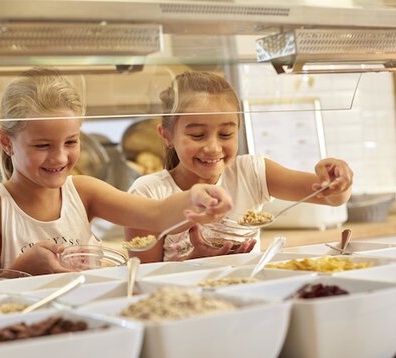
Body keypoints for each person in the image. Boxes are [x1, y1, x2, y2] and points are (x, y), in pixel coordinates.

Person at [0, 68, 234, 272]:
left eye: (71, 141)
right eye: (43, 145)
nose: (59, 157)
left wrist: (197, 196)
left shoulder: (83, 191)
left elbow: (156, 214)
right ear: (6, 142)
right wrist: (23, 270)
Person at [125, 71, 353, 263]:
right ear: (167, 136)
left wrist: (337, 180)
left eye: (226, 134)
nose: (213, 148)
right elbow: (142, 278)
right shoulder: (148, 192)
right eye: (197, 135)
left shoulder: (251, 172)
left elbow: (330, 197)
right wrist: (196, 260)